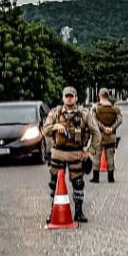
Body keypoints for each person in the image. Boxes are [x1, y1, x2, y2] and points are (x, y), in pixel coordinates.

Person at [42, 87, 100, 222]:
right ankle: (54, 211)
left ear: (76, 98)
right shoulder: (55, 113)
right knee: (54, 184)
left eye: (71, 96)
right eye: (66, 96)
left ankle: (79, 212)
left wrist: (90, 151)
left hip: (76, 154)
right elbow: (45, 131)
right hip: (58, 153)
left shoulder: (85, 114)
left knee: (78, 184)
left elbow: (96, 133)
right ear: (63, 98)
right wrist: (55, 127)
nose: (69, 99)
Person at [90, 87, 123, 183]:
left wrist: (103, 128)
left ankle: (96, 178)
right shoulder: (115, 108)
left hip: (99, 136)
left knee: (97, 157)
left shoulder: (95, 108)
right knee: (110, 157)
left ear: (99, 95)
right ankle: (111, 178)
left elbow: (93, 120)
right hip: (111, 136)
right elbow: (120, 120)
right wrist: (112, 128)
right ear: (108, 95)